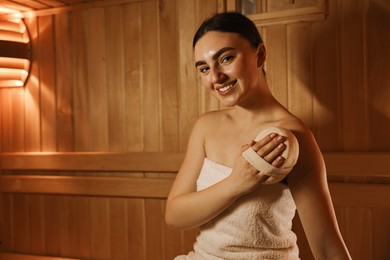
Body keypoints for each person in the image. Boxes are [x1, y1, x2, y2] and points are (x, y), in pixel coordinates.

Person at [165, 12, 351, 259]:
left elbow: (328, 248)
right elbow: (174, 216)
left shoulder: (293, 137)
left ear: (260, 55)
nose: (215, 77)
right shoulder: (205, 127)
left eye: (226, 58)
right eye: (204, 68)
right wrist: (236, 183)